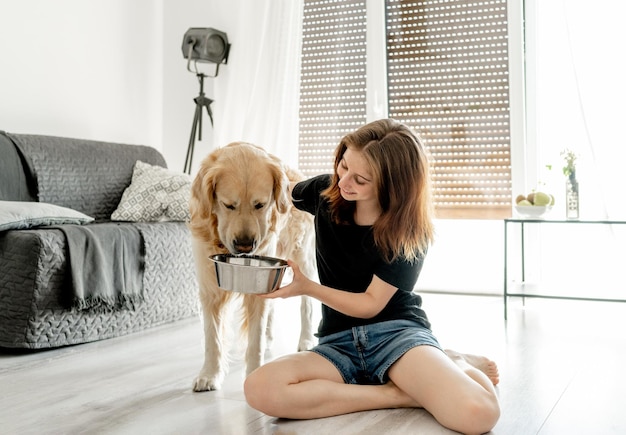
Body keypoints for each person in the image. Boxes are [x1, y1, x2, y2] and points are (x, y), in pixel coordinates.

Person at [244, 119, 500, 434]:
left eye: (361, 179)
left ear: (394, 186)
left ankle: (454, 361)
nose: (344, 182)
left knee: (479, 414)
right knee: (259, 389)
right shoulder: (325, 192)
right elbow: (280, 186)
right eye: (343, 164)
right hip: (338, 344)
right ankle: (400, 393)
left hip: (397, 338)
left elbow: (370, 305)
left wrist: (306, 287)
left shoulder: (409, 233)